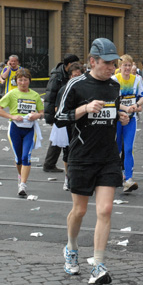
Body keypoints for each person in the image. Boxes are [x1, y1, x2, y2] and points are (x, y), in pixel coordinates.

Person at [55, 38, 129, 284]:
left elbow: (112, 111)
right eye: (107, 63)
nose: (112, 68)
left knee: (106, 209)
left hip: (108, 157)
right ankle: (72, 248)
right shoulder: (76, 85)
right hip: (82, 157)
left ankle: (98, 264)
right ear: (92, 61)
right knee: (80, 210)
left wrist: (120, 116)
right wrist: (85, 109)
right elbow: (58, 117)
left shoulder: (114, 86)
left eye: (114, 63)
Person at [0, 69, 44, 196]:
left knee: (26, 157)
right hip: (15, 129)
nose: (23, 82)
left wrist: (37, 115)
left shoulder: (35, 95)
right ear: (16, 81)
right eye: (20, 80)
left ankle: (23, 185)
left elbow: (42, 113)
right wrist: (12, 116)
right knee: (18, 159)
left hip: (30, 130)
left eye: (25, 80)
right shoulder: (12, 94)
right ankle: (20, 176)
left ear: (29, 81)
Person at [112, 55, 143, 193]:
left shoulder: (137, 79)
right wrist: (126, 108)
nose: (127, 68)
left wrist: (137, 105)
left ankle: (128, 179)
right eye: (124, 65)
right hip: (117, 119)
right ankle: (115, 175)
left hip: (131, 120)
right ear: (120, 67)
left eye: (129, 65)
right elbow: (112, 101)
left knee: (128, 149)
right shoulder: (114, 80)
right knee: (116, 149)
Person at [43, 54, 80, 174]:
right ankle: (49, 164)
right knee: (59, 139)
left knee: (60, 139)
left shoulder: (62, 74)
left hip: (64, 109)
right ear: (69, 65)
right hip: (58, 110)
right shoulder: (57, 76)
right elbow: (51, 95)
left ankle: (51, 164)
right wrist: (52, 115)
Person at [53, 62, 85, 191]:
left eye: (79, 76)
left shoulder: (85, 90)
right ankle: (68, 176)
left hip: (82, 124)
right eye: (74, 76)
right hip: (68, 124)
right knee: (67, 151)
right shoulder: (64, 90)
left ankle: (81, 176)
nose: (76, 78)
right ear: (70, 77)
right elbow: (57, 108)